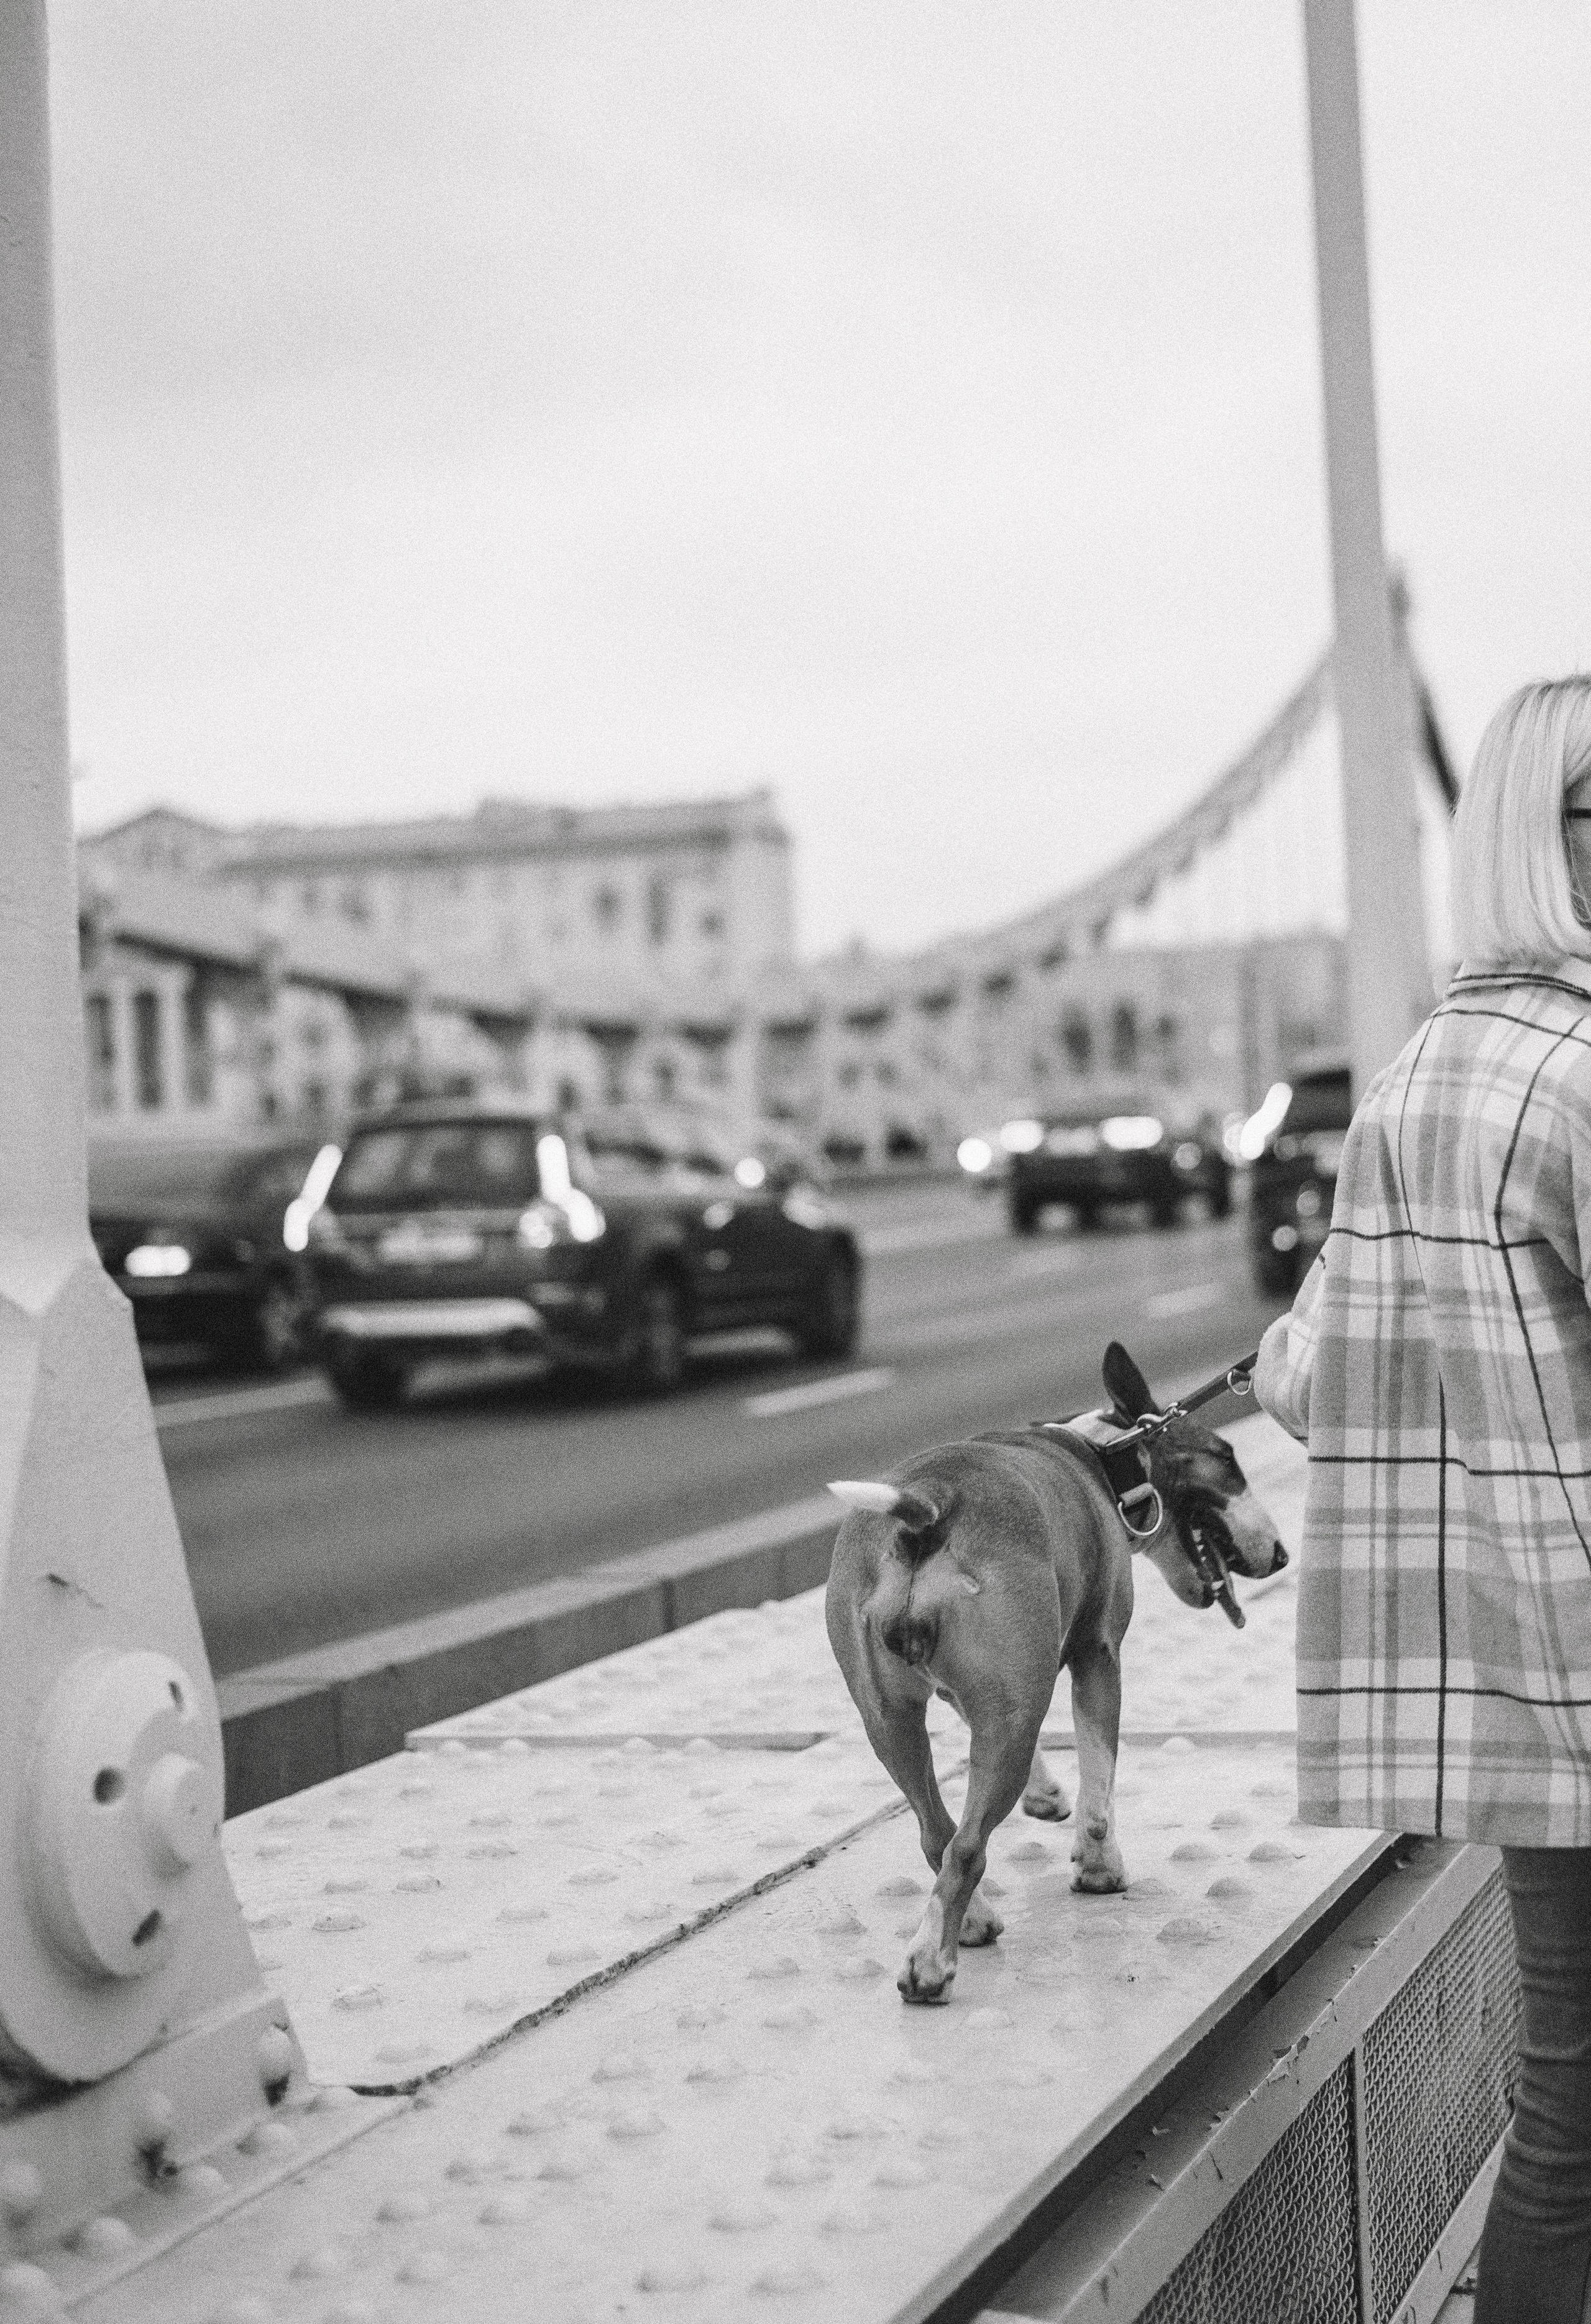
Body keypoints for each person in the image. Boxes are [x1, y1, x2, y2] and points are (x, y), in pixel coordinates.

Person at [1255, 677, 1591, 2324]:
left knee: (1568, 2105)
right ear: (1545, 835)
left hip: (1532, 1684)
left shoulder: (1408, 1080)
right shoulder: (1585, 1068)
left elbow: (1312, 1379)